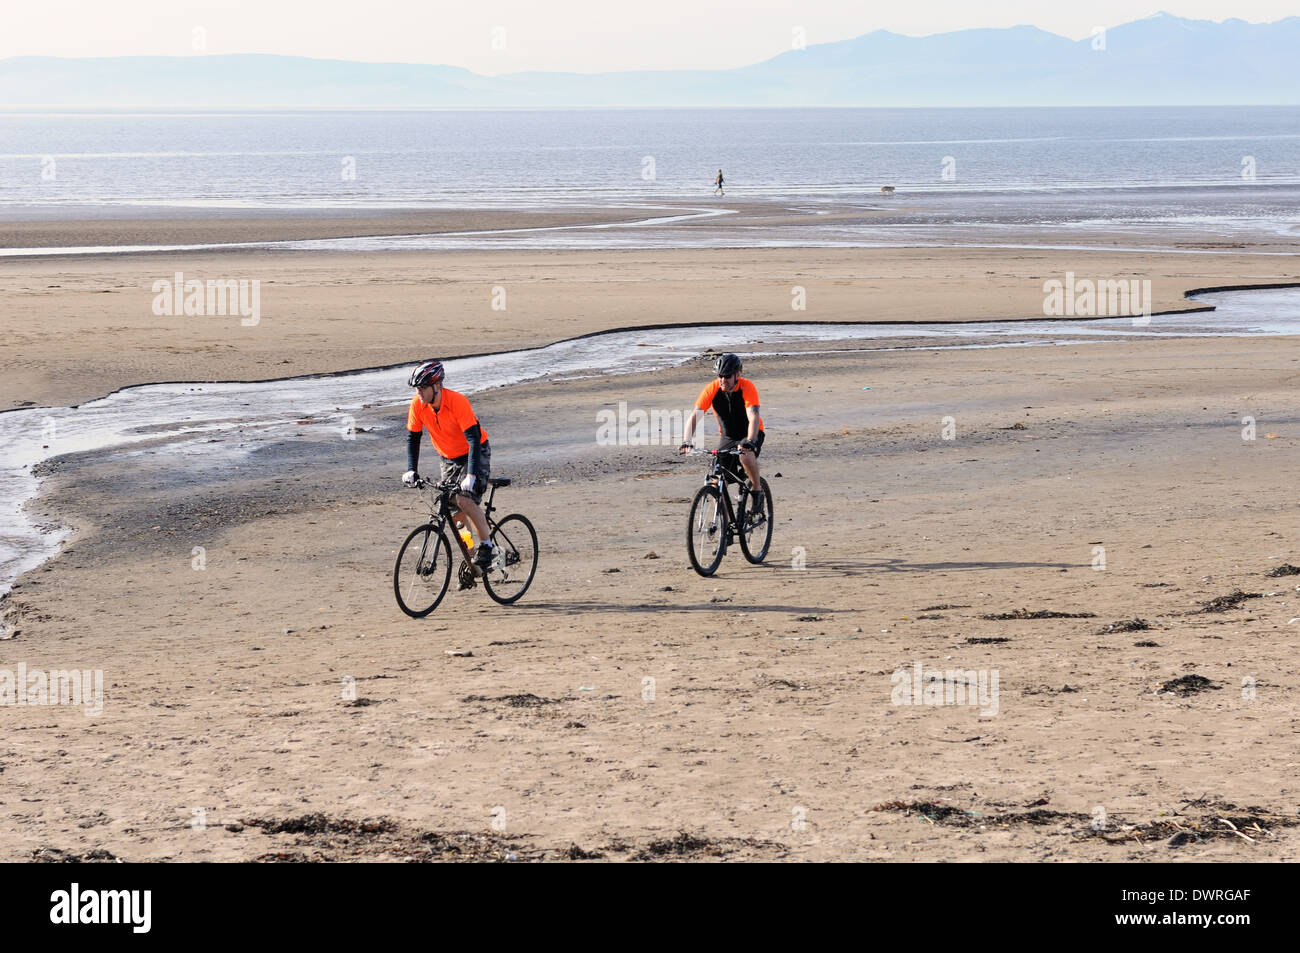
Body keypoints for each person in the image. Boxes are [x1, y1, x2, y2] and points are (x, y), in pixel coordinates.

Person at [401, 360, 497, 573]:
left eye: (422, 388)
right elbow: (413, 438)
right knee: (453, 510)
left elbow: (473, 439)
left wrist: (471, 474)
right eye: (417, 388)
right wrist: (411, 469)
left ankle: (487, 546)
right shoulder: (418, 405)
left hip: (475, 452)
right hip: (448, 458)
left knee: (464, 498)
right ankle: (472, 555)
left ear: (436, 386)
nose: (418, 393)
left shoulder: (457, 402)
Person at [679, 352, 764, 501]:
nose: (723, 380)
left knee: (746, 458)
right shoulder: (712, 389)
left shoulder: (747, 387)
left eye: (727, 376)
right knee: (717, 482)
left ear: (738, 374)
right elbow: (694, 416)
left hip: (750, 432)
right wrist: (687, 441)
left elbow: (753, 416)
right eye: (720, 376)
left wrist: (750, 440)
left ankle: (757, 491)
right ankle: (724, 522)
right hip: (728, 436)